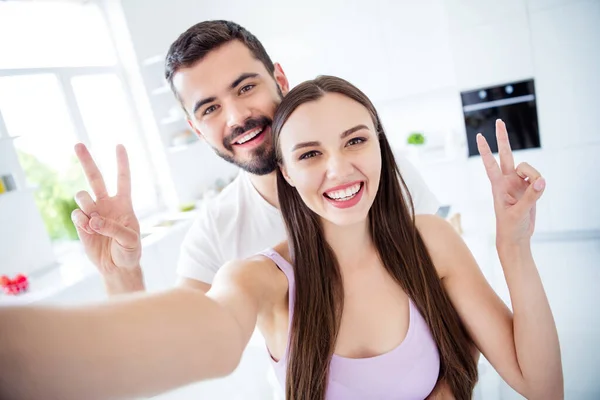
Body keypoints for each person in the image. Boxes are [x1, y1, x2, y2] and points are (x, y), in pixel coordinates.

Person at [0, 76, 562, 400]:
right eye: (311, 154)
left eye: (356, 141)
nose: (339, 170)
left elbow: (543, 388)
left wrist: (514, 246)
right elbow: (193, 339)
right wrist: (117, 275)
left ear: (381, 148)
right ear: (286, 171)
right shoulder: (260, 278)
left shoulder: (431, 241)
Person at [69, 20, 440, 298]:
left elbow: (450, 294)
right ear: (196, 129)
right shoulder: (215, 231)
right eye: (210, 108)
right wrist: (120, 273)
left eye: (246, 87)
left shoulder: (373, 174)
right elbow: (176, 346)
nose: (236, 118)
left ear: (280, 78)